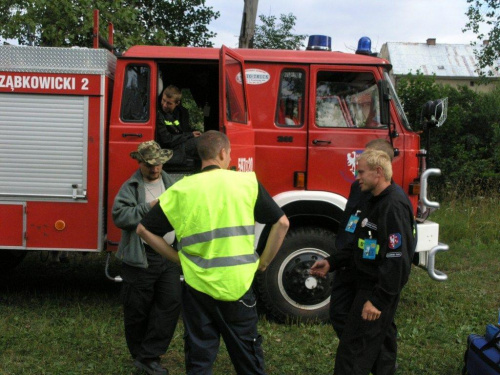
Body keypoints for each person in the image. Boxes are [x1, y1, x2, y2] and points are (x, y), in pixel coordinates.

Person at [137, 130, 290, 374]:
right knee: (248, 358)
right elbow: (282, 223)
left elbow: (144, 230)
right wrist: (263, 263)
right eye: (229, 154)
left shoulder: (182, 189)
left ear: (200, 156)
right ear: (222, 153)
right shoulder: (246, 182)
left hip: (197, 287)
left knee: (199, 359)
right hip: (237, 286)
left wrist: (177, 258)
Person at [311, 149, 416, 375]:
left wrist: (378, 301)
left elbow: (398, 261)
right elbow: (360, 242)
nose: (357, 177)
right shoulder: (372, 200)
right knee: (373, 343)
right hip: (364, 283)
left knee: (353, 352)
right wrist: (332, 262)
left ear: (378, 172)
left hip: (375, 288)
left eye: (361, 172)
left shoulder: (393, 206)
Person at [112, 140, 181, 375]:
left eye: (159, 164)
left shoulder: (173, 184)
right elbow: (120, 216)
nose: (155, 169)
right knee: (137, 310)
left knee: (170, 304)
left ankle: (150, 355)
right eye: (149, 165)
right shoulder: (131, 186)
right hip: (141, 258)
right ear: (139, 162)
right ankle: (141, 356)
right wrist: (149, 206)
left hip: (168, 255)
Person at [330, 139, 396, 339]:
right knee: (339, 313)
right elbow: (350, 222)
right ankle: (358, 348)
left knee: (379, 323)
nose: (360, 164)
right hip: (348, 260)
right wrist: (338, 257)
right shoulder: (358, 187)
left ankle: (379, 360)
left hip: (368, 269)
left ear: (380, 166)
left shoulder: (390, 200)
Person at [156, 85, 201, 165]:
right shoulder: (157, 113)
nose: (165, 105)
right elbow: (166, 140)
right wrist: (189, 135)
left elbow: (185, 130)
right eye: (163, 100)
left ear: (177, 103)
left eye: (169, 103)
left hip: (179, 143)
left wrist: (193, 133)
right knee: (200, 143)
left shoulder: (181, 113)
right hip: (167, 148)